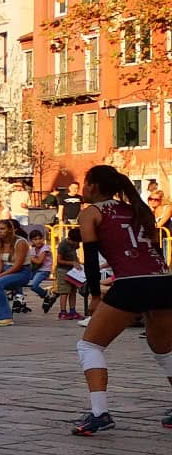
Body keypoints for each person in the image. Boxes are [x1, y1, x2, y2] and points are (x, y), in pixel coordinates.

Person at [69, 165, 172, 435]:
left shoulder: (91, 212)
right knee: (164, 350)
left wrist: (93, 294)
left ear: (92, 186)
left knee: (89, 346)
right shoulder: (137, 209)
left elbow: (90, 258)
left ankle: (100, 413)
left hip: (130, 282)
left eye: (85, 184)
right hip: (162, 280)